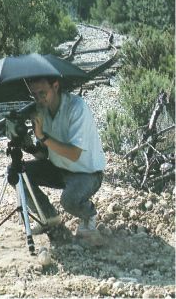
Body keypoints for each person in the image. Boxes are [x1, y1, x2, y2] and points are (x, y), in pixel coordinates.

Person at [21, 76, 106, 238]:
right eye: (34, 95)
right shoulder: (42, 111)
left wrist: (42, 137)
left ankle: (89, 216)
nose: (38, 99)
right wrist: (29, 145)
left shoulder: (76, 107)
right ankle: (48, 216)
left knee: (69, 201)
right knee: (18, 173)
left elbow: (74, 154)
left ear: (55, 86)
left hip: (86, 172)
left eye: (42, 93)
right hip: (58, 168)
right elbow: (43, 155)